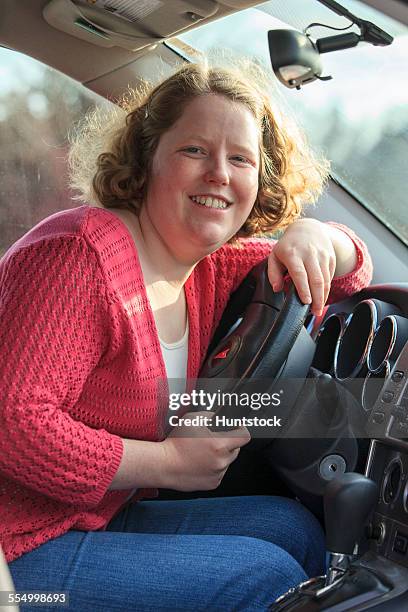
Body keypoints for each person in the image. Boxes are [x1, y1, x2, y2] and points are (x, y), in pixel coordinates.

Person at [0, 62, 372, 611]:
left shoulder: (203, 266)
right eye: (194, 150)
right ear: (147, 158)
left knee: (292, 529)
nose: (219, 173)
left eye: (240, 158)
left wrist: (314, 233)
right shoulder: (78, 255)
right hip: (18, 560)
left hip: (89, 517)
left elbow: (348, 273)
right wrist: (169, 464)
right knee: (263, 575)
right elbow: (14, 425)